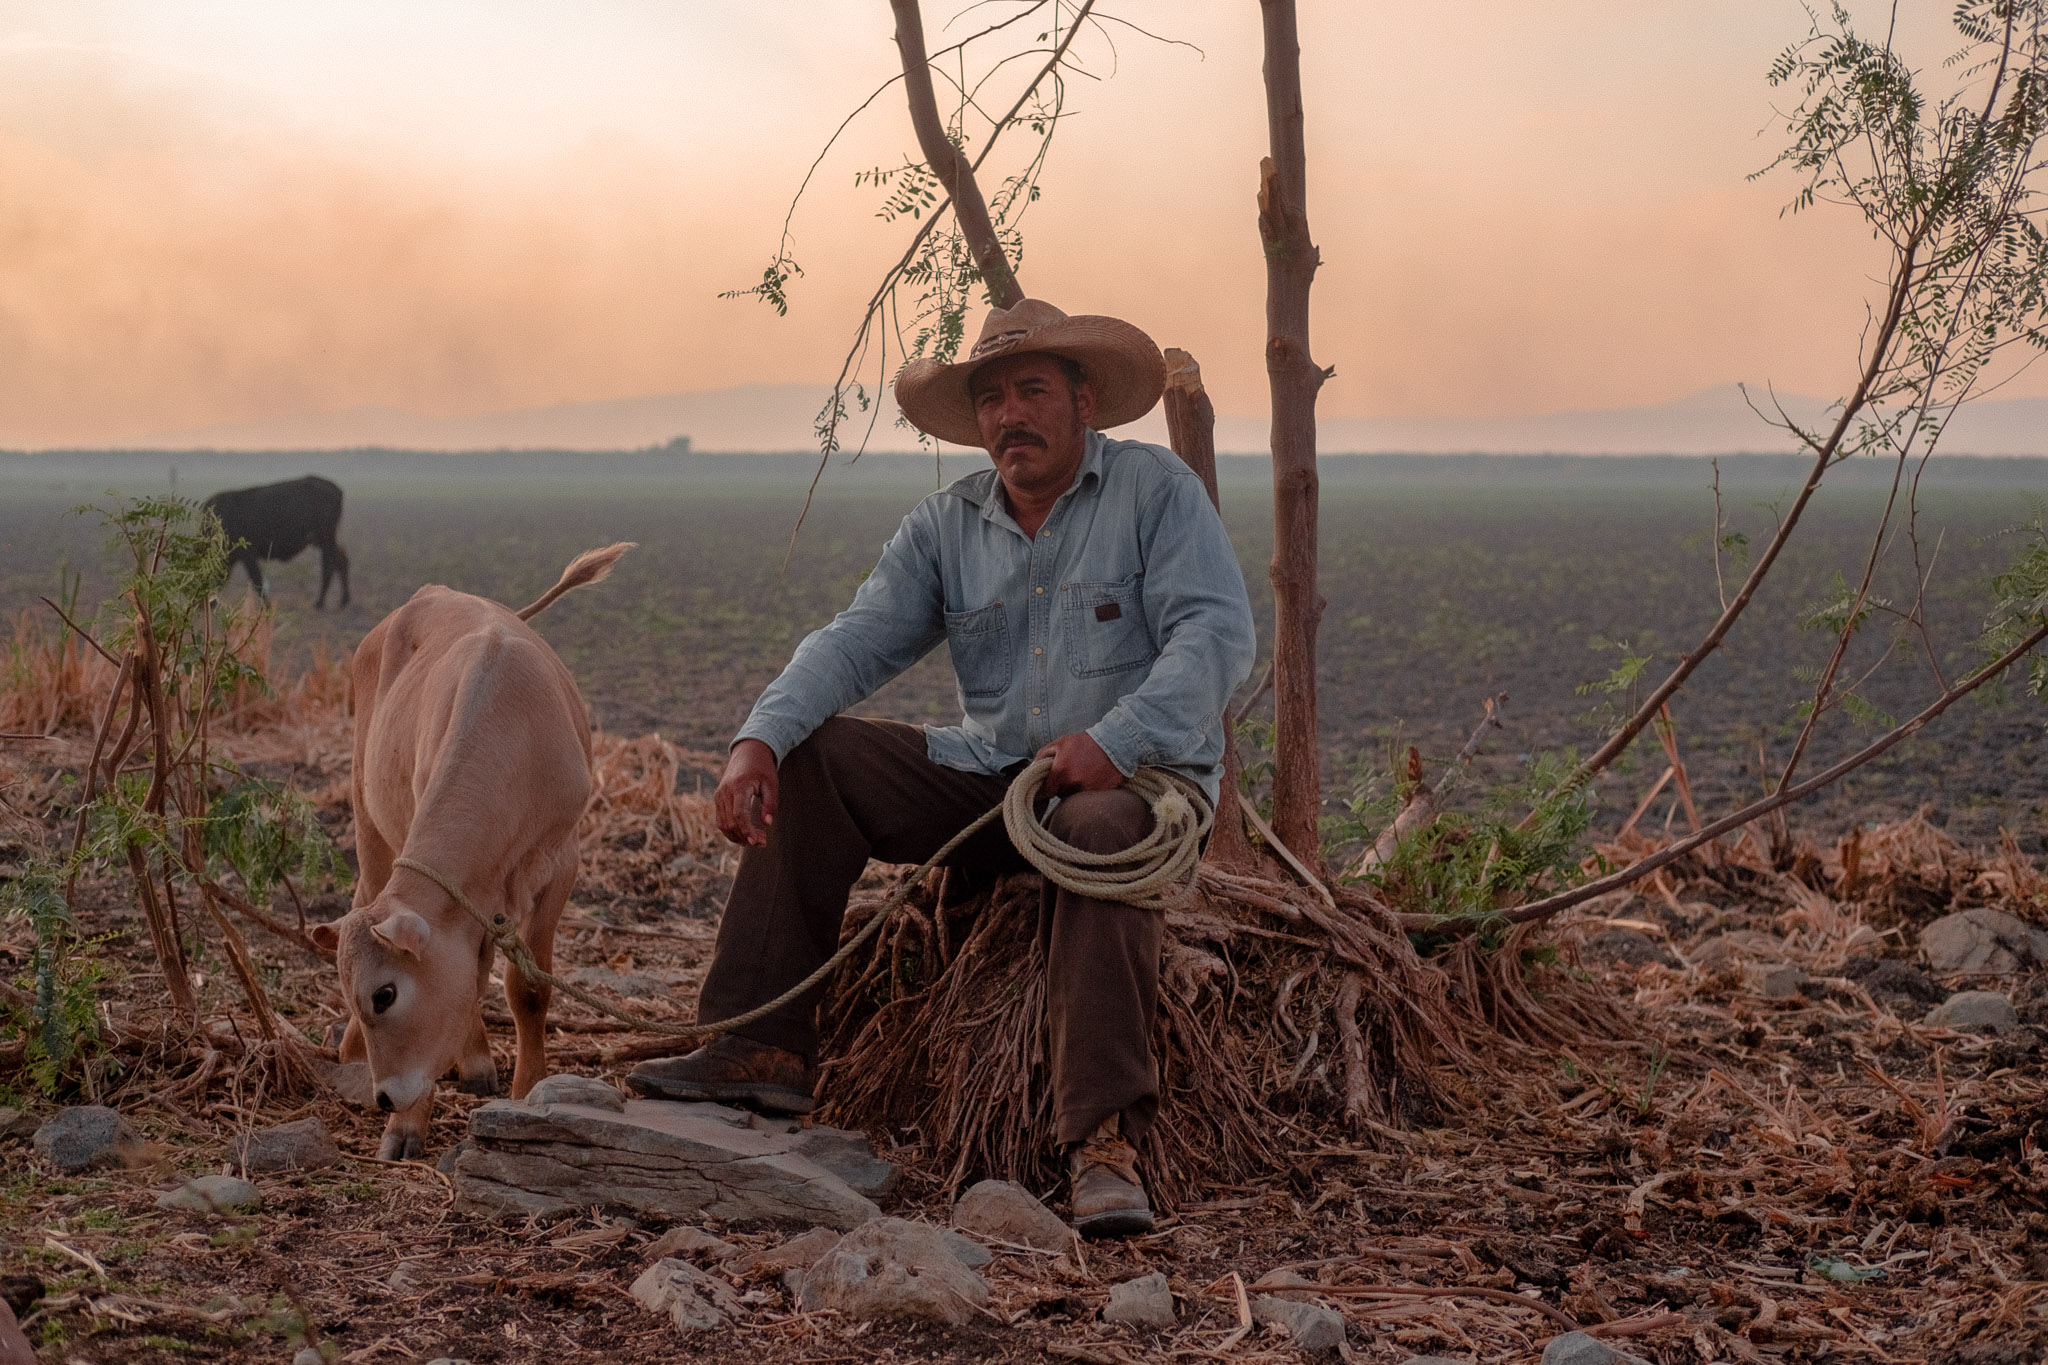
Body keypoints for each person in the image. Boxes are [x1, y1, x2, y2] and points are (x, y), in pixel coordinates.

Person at [627, 298, 1257, 1237]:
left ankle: (1102, 1144)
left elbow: (1216, 637)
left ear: (1084, 400)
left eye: (1033, 390)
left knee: (1098, 827)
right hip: (996, 779)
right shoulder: (944, 525)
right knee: (818, 759)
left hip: (1135, 784)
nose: (1011, 414)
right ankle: (759, 1047)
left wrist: (1115, 741)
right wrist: (757, 740)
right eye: (993, 398)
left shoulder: (1155, 492)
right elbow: (855, 642)